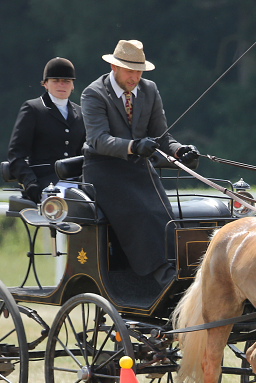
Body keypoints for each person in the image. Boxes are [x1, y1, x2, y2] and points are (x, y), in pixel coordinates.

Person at [81, 39, 199, 287]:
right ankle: (160, 274)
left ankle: (179, 269)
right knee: (141, 213)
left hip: (138, 168)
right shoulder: (93, 93)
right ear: (114, 68)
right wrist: (133, 146)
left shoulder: (150, 90)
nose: (135, 77)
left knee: (165, 214)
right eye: (129, 71)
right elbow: (98, 140)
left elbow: (162, 136)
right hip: (103, 170)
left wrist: (180, 151)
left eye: (138, 71)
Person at [7, 57, 86, 203]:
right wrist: (30, 183)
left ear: (73, 85)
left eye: (67, 81)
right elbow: (16, 155)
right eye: (56, 81)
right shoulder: (33, 109)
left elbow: (85, 153)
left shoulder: (80, 113)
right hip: (45, 184)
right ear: (45, 84)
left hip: (78, 184)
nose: (61, 85)